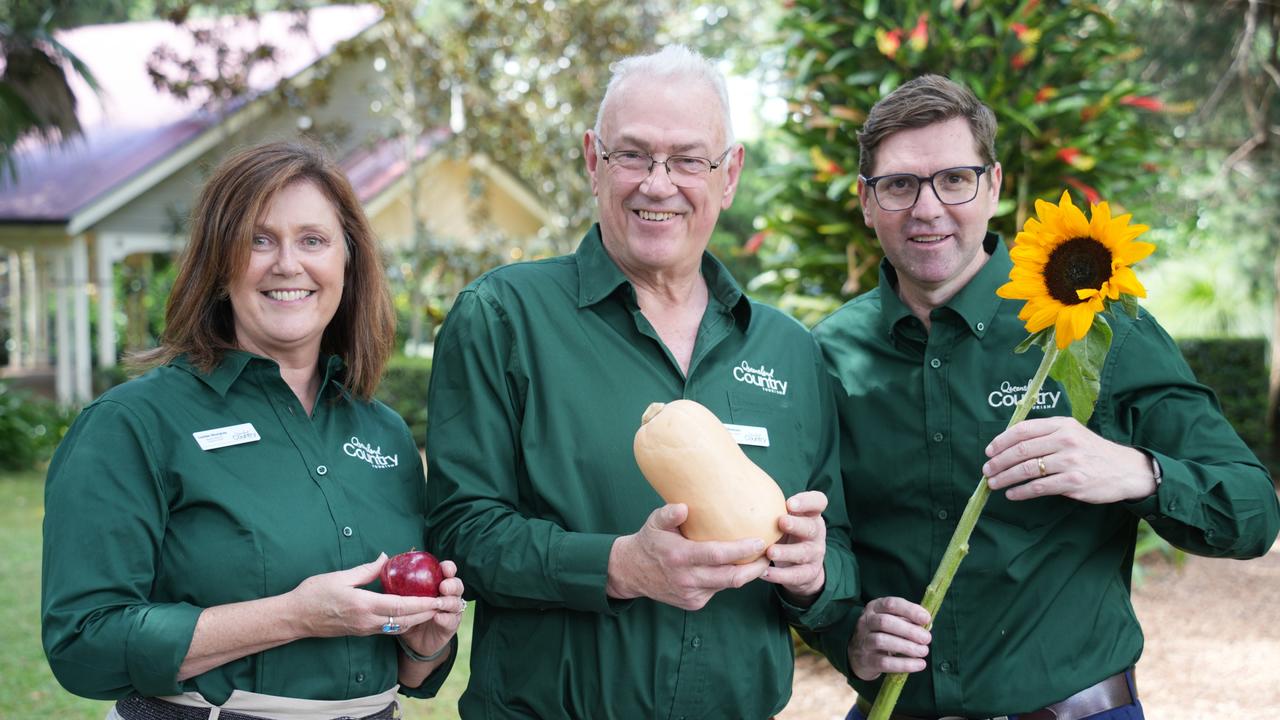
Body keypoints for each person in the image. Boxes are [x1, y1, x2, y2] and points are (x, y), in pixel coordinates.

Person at [809, 74, 1280, 720]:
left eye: (954, 179)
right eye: (898, 185)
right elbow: (813, 540)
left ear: (993, 186)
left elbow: (1251, 512)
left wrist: (1136, 471)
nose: (927, 208)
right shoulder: (827, 356)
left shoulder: (1096, 323)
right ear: (866, 201)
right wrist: (846, 634)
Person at [423, 45, 858, 719]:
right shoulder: (503, 316)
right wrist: (618, 566)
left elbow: (839, 549)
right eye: (633, 156)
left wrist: (816, 575)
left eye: (688, 160)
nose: (659, 184)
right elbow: (460, 532)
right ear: (594, 161)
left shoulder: (791, 350)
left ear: (730, 174)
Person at [42, 142, 467, 720]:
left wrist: (425, 641)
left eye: (313, 240)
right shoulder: (132, 425)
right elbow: (82, 643)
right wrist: (292, 615)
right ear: (218, 266)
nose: (287, 263)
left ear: (348, 261)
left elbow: (409, 670)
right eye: (258, 240)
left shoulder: (386, 434)